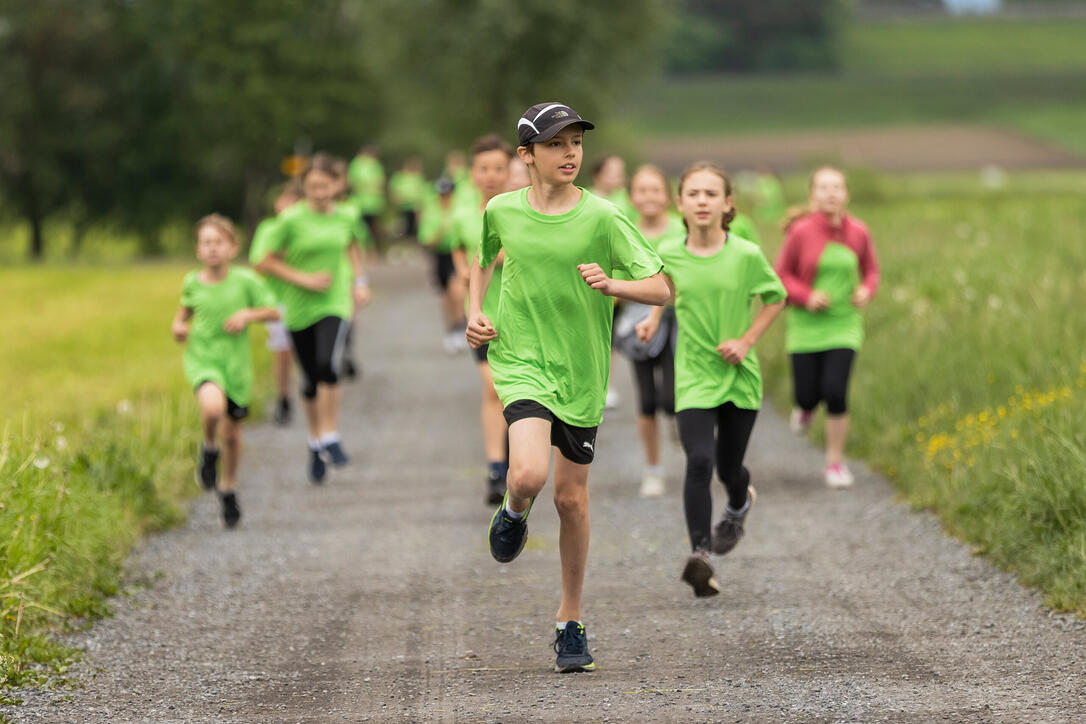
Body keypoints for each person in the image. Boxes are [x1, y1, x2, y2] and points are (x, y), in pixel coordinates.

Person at [467, 103, 670, 673]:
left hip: (582, 373)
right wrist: (473, 313)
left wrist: (615, 284)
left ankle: (570, 620)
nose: (571, 153)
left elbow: (661, 288)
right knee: (530, 475)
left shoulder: (604, 216)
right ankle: (512, 508)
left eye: (576, 142)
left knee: (570, 499)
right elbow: (479, 262)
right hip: (522, 360)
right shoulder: (501, 210)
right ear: (526, 155)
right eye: (556, 144)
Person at [638, 162, 785, 597]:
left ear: (728, 204)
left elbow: (776, 298)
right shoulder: (669, 250)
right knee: (699, 461)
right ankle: (701, 555)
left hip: (739, 376)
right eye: (694, 194)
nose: (703, 201)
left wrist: (746, 340)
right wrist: (650, 320)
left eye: (711, 194)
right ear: (680, 203)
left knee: (728, 467)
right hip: (694, 376)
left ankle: (740, 502)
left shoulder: (745, 255)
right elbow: (663, 290)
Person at [254, 153, 371, 484]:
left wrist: (359, 283)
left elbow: (352, 248)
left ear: (335, 185)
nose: (320, 192)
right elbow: (264, 262)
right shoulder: (290, 221)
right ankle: (315, 439)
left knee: (328, 364)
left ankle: (330, 433)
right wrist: (302, 279)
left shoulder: (346, 218)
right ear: (304, 188)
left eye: (325, 186)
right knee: (308, 379)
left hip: (334, 302)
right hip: (298, 305)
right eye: (313, 187)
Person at [774, 167, 879, 488]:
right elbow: (781, 276)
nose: (831, 193)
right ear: (812, 195)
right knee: (806, 395)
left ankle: (834, 463)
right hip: (806, 327)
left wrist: (865, 291)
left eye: (837, 187)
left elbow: (871, 271)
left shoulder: (859, 232)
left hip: (844, 324)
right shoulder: (801, 232)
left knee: (835, 392)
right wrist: (807, 296)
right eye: (823, 188)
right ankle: (804, 410)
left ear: (846, 194)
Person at [172, 214, 279, 528]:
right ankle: (208, 448)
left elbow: (273, 311)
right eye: (206, 243)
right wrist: (178, 327)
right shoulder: (192, 281)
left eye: (219, 242)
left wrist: (247, 314)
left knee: (233, 434)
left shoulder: (245, 280)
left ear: (233, 248)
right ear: (198, 250)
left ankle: (228, 488)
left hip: (235, 366)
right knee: (212, 406)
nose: (213, 249)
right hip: (203, 358)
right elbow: (182, 315)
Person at [449, 134, 513, 504]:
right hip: (481, 317)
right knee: (493, 389)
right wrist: (464, 269)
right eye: (484, 169)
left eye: (499, 169)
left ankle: (515, 461)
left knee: (513, 395)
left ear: (511, 171)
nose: (491, 176)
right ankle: (495, 468)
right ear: (472, 173)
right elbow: (459, 247)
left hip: (520, 318)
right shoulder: (462, 215)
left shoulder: (520, 212)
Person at [615, 164, 685, 497]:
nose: (649, 197)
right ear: (631, 197)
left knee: (670, 399)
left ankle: (677, 423)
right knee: (646, 401)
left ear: (668, 196)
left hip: (680, 318)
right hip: (637, 322)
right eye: (642, 190)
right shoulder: (625, 231)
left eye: (655, 189)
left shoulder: (681, 230)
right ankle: (653, 469)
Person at [249, 182, 303, 425]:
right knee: (282, 352)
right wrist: (281, 258)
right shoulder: (268, 229)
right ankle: (283, 397)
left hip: (305, 299)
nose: (289, 207)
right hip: (277, 301)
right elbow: (259, 264)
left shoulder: (306, 229)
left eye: (295, 202)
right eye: (285, 200)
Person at [420, 177, 467, 354]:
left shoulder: (460, 209)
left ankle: (460, 324)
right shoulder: (432, 212)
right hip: (440, 255)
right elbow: (426, 240)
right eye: (442, 194)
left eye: (448, 193)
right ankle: (451, 328)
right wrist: (439, 233)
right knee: (446, 294)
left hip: (457, 253)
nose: (445, 197)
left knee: (458, 290)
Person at [347, 145, 387, 253]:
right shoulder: (357, 164)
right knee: (362, 227)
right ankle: (364, 248)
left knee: (371, 227)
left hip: (372, 202)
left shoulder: (374, 164)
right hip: (361, 202)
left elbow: (380, 182)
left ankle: (372, 249)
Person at [389, 157, 426, 242]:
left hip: (414, 205)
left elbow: (421, 191)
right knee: (402, 223)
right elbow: (393, 189)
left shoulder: (417, 177)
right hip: (402, 205)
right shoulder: (399, 177)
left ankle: (412, 240)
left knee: (413, 224)